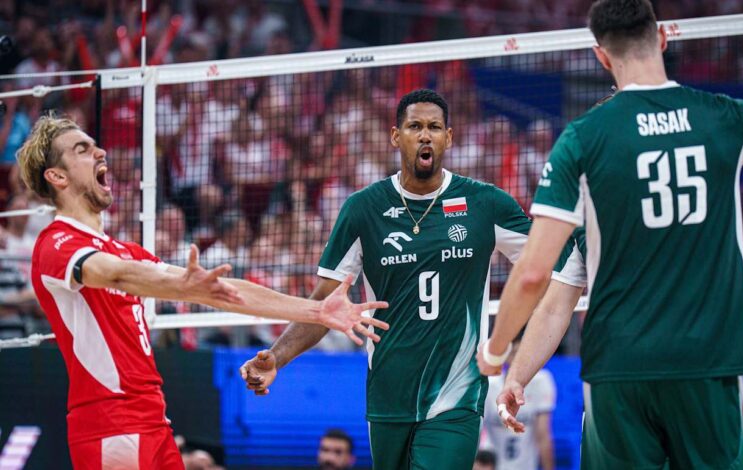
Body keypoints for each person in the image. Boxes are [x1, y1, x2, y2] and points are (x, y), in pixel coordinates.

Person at [478, 0, 743, 468]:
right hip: (706, 361)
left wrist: (498, 356)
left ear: (601, 56)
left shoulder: (584, 138)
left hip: (620, 368)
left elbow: (537, 278)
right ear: (663, 37)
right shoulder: (724, 117)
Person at [16, 114, 389, 469]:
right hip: (110, 424)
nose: (100, 152)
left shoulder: (126, 251)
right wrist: (183, 285)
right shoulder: (56, 243)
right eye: (82, 149)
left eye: (95, 145)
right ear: (57, 176)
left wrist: (317, 311)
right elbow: (114, 275)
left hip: (153, 420)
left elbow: (222, 290)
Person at [240, 89, 533, 470]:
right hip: (387, 396)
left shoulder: (485, 204)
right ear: (396, 136)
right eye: (415, 126)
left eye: (434, 127)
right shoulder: (363, 209)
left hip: (456, 397)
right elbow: (324, 304)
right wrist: (277, 357)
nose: (425, 135)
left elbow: (548, 262)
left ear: (448, 137)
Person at [481, 342, 556, 470]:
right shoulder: (489, 385)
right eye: (513, 353)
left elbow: (543, 435)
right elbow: (478, 431)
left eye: (521, 353)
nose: (517, 359)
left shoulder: (541, 381)